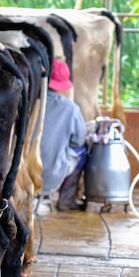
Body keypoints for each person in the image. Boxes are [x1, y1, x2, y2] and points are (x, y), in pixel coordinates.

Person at [40, 59, 88, 211]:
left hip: (22, 174)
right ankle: (66, 199)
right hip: (51, 173)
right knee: (83, 150)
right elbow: (79, 140)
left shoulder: (28, 101)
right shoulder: (70, 108)